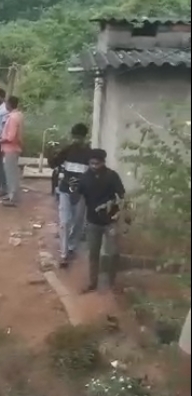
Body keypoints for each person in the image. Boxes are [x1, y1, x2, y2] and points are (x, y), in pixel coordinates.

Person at [78, 149, 126, 293]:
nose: (93, 166)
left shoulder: (112, 176)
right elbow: (78, 196)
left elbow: (122, 195)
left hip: (110, 221)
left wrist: (120, 214)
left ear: (103, 162)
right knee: (93, 253)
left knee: (113, 253)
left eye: (96, 163)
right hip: (92, 222)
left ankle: (112, 282)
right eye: (91, 163)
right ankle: (93, 283)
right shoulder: (85, 178)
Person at [48, 123, 92, 268]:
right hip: (66, 190)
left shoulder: (90, 154)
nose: (76, 140)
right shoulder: (67, 150)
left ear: (84, 138)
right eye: (75, 137)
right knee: (65, 222)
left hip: (81, 193)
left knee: (78, 222)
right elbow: (53, 164)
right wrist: (51, 152)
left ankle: (72, 246)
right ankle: (64, 254)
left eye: (79, 138)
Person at [0, 95, 23, 207]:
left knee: (11, 173)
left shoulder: (13, 118)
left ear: (9, 104)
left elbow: (11, 137)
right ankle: (11, 194)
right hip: (13, 148)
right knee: (11, 172)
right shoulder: (17, 115)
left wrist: (1, 140)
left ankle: (13, 197)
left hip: (10, 148)